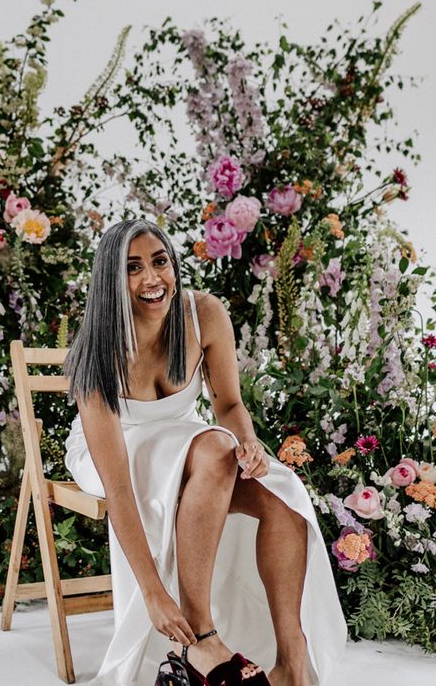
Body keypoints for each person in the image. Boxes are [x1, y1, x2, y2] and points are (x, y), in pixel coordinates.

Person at [64, 219, 346, 686]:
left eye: (160, 261)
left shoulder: (203, 314)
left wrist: (250, 444)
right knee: (216, 445)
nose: (153, 279)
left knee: (284, 495)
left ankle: (293, 665)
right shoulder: (100, 350)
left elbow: (229, 405)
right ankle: (201, 636)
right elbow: (116, 486)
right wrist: (154, 593)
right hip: (115, 449)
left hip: (185, 437)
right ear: (111, 280)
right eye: (133, 268)